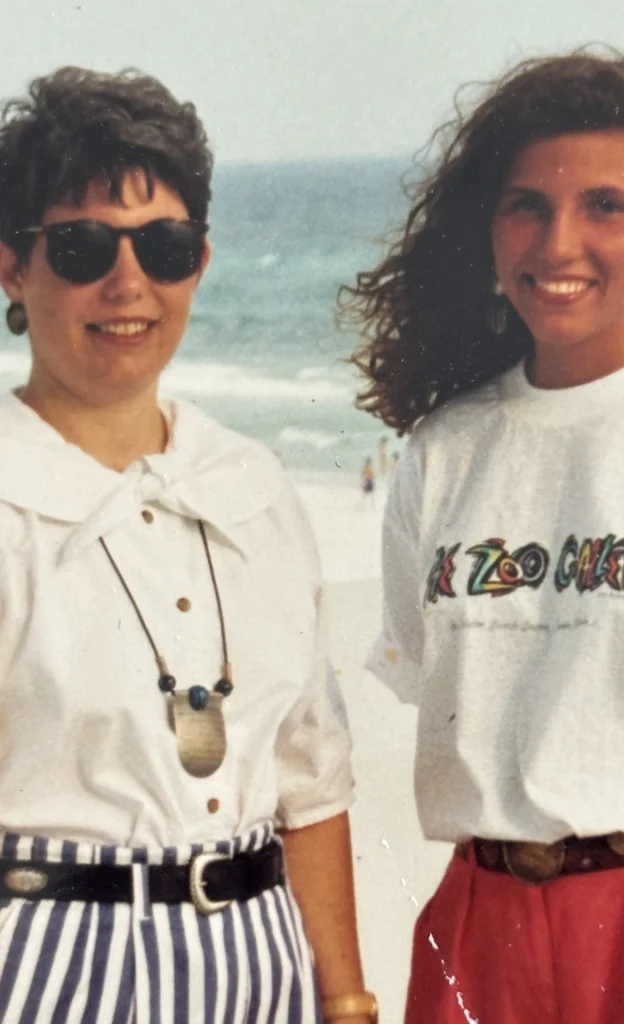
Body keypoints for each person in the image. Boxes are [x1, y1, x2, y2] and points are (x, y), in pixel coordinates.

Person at [341, 49, 624, 1024]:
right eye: (527, 206)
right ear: (488, 230)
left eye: (605, 207)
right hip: (483, 924)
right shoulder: (443, 450)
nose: (559, 241)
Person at [0, 67, 377, 1024]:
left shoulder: (253, 487)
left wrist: (345, 1003)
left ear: (200, 260)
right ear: (12, 265)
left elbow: (310, 779)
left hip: (263, 961)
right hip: (46, 967)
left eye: (163, 246)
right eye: (83, 246)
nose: (129, 284)